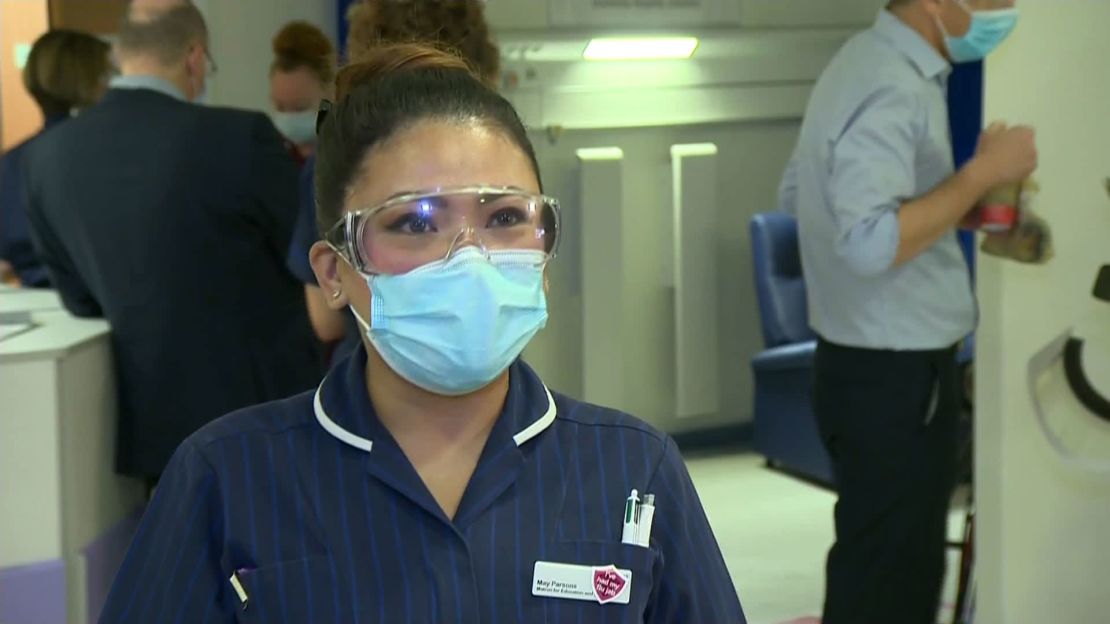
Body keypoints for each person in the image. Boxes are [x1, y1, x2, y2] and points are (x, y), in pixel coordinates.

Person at [99, 43, 747, 623]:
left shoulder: (633, 468)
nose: (469, 259)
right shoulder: (225, 477)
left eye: (503, 217)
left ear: (545, 252)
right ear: (333, 271)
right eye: (414, 223)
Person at [778, 1, 1033, 622]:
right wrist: (979, 177)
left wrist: (961, 208)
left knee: (879, 566)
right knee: (894, 578)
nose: (1007, 8)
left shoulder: (862, 63)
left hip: (864, 369)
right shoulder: (891, 79)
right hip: (895, 379)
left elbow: (800, 194)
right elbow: (869, 242)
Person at [24, 1, 320, 483]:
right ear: (194, 58)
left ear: (120, 56)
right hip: (266, 420)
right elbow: (313, 258)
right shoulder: (239, 138)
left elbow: (79, 300)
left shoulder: (46, 159)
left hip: (151, 435)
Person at [287, 0, 502, 359]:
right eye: (414, 224)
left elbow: (325, 319)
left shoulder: (339, 156)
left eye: (502, 218)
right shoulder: (499, 150)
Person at [0, 30, 112, 288]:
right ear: (89, 82)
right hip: (100, 304)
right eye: (106, 75)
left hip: (37, 306)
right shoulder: (104, 155)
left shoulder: (12, 162)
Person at [269, 20, 334, 164]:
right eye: (280, 108)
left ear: (331, 94)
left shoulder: (351, 157)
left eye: (300, 108)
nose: (289, 118)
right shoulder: (268, 157)